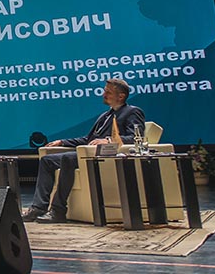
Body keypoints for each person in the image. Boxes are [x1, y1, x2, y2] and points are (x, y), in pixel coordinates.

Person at [22, 78, 145, 223]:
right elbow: (88, 139)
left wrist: (108, 141)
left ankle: (58, 211)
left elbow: (135, 137)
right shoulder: (105, 116)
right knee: (47, 160)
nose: (104, 94)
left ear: (121, 96)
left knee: (68, 159)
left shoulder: (132, 112)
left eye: (108, 92)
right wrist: (62, 142)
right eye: (104, 91)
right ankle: (38, 208)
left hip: (106, 156)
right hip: (87, 153)